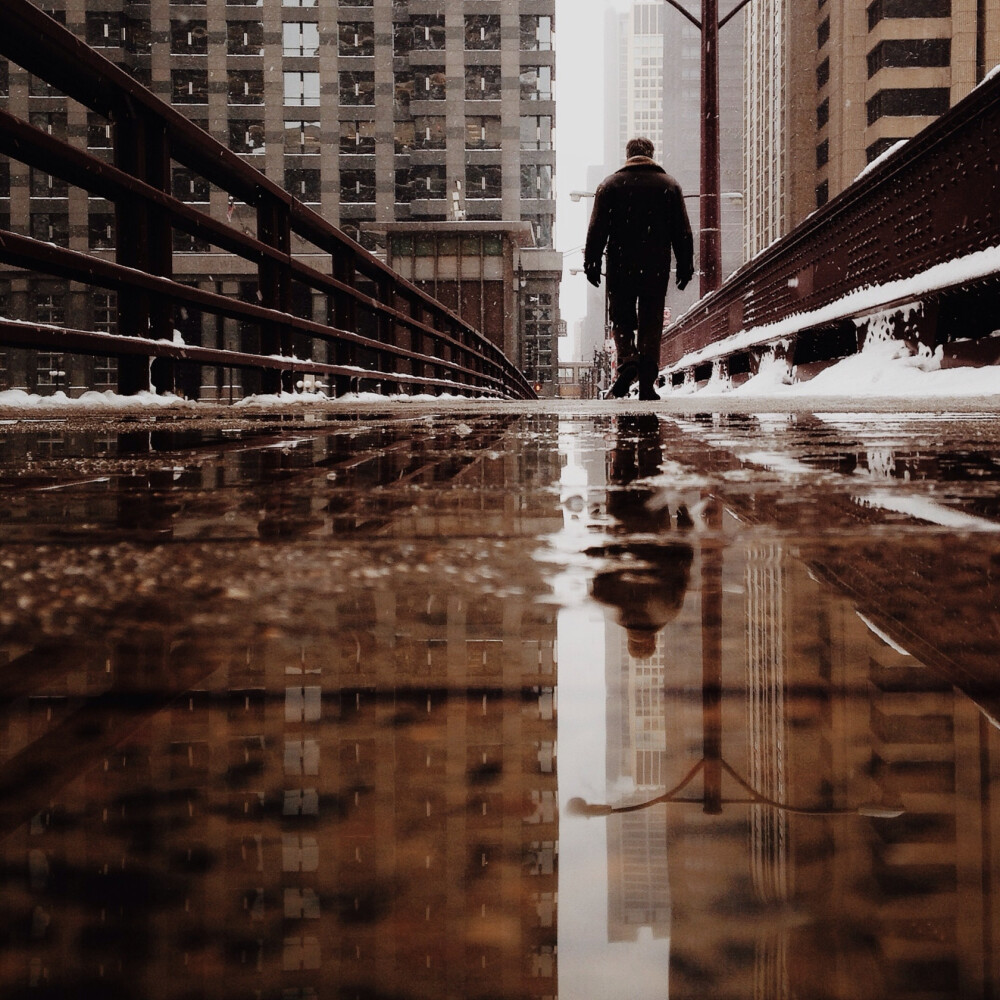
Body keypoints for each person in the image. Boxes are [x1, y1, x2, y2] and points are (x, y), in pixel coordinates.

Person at [584, 137, 694, 400]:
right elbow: (682, 231)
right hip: (656, 264)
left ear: (628, 156)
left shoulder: (609, 186)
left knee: (621, 317)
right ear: (652, 155)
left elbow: (596, 229)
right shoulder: (669, 186)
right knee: (651, 321)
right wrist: (685, 265)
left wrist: (592, 261)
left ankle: (628, 360)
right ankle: (646, 382)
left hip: (620, 264)